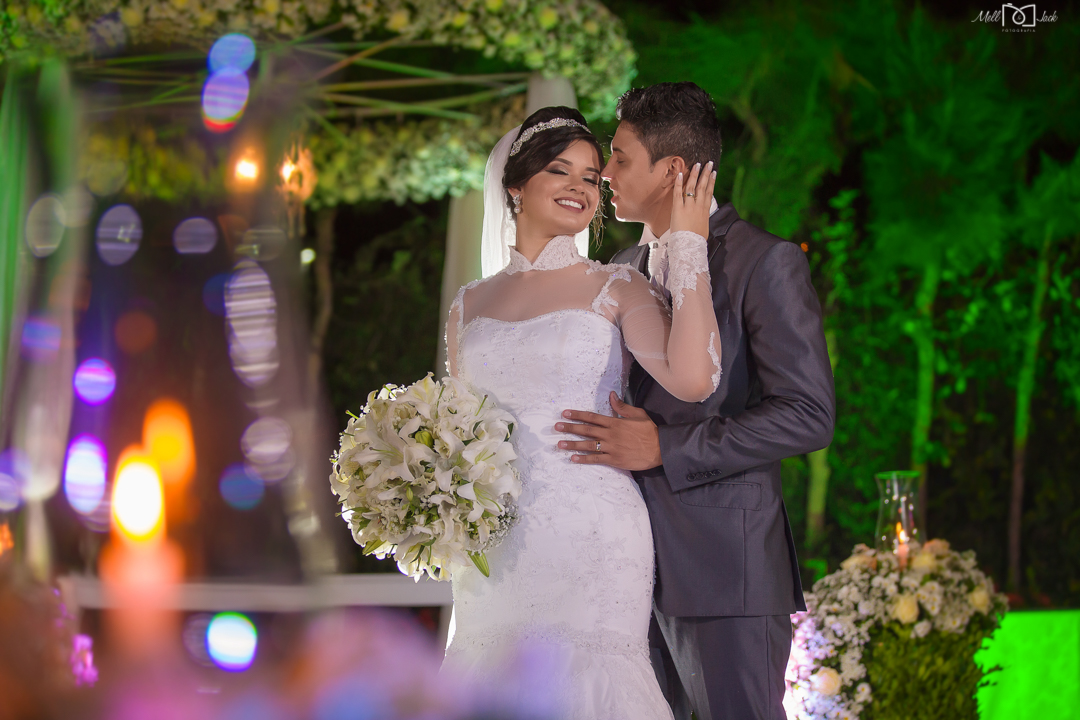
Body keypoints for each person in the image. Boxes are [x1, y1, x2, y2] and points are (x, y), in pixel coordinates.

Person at [554, 83, 836, 720]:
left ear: (673, 169)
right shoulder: (622, 265)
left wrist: (666, 446)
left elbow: (809, 414)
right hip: (627, 571)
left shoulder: (764, 262)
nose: (606, 173)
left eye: (620, 157)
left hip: (724, 572)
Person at [441, 105, 721, 719]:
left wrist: (688, 244)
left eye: (592, 177)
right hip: (494, 541)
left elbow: (694, 379)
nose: (581, 187)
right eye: (559, 170)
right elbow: (454, 430)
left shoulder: (617, 285)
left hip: (593, 528)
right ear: (516, 185)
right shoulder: (469, 304)